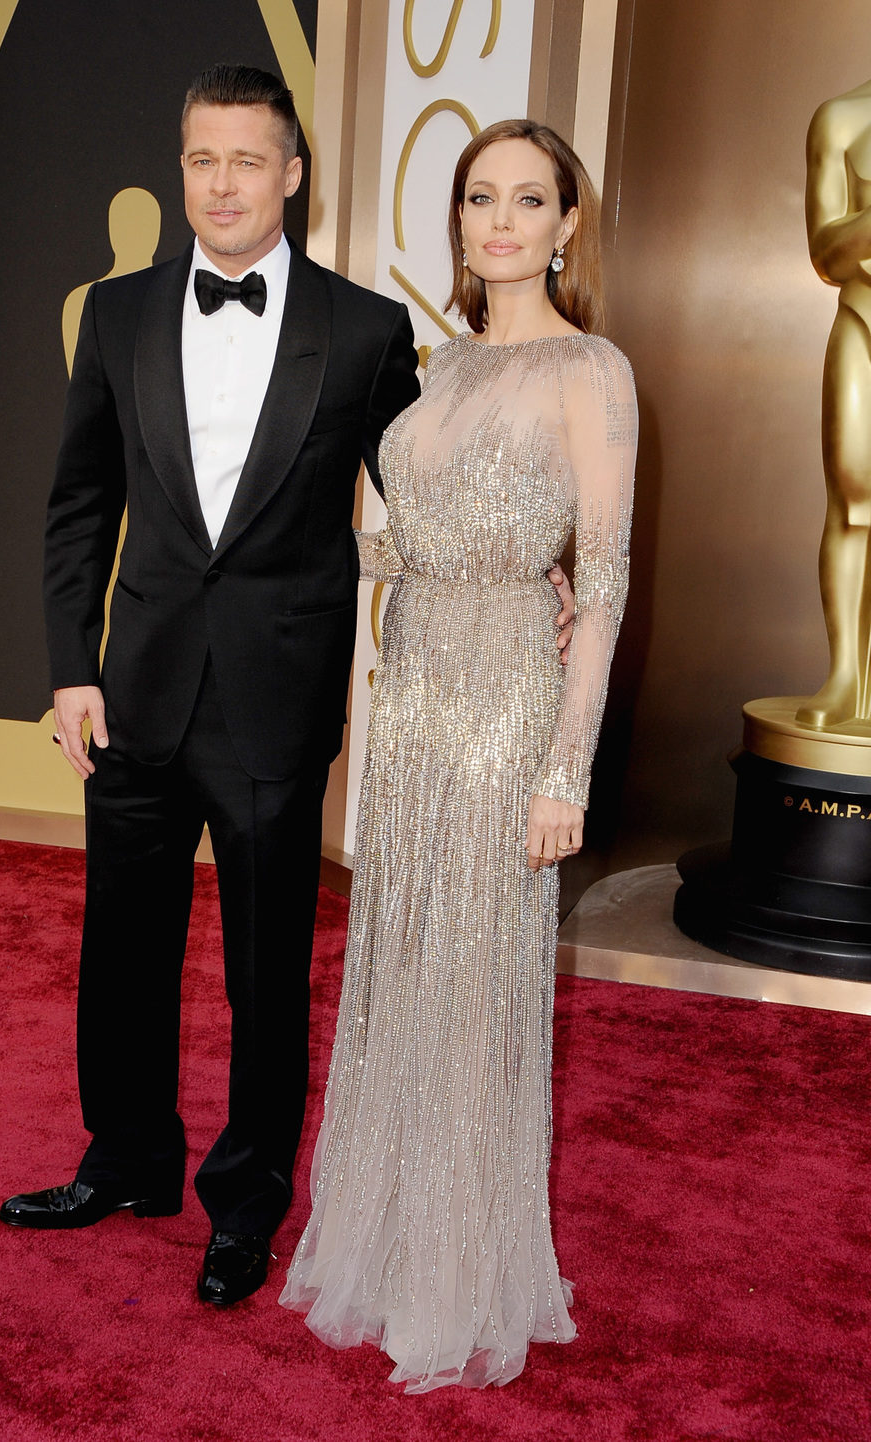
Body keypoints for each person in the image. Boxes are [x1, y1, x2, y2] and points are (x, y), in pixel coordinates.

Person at [0, 66, 575, 1309]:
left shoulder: (365, 330)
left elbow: (434, 485)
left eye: (247, 161)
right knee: (123, 949)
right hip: (136, 691)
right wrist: (69, 670)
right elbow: (78, 509)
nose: (220, 185)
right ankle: (130, 1156)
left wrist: (543, 568)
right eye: (201, 159)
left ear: (292, 175)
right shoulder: (115, 314)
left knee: (266, 973)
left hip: (277, 698)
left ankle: (245, 1202)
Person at [280, 119, 637, 1392]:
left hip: (505, 715)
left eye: (528, 199)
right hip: (414, 708)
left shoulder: (593, 369)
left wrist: (564, 771)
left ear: (565, 222)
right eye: (481, 197)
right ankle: (386, 1241)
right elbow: (411, 543)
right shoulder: (434, 367)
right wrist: (300, 552)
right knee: (405, 966)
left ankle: (464, 1267)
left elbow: (598, 586)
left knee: (479, 982)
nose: (501, 221)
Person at [795, 77, 871, 731]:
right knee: (853, 501)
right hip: (864, 321)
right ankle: (845, 673)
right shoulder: (842, 117)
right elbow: (825, 253)